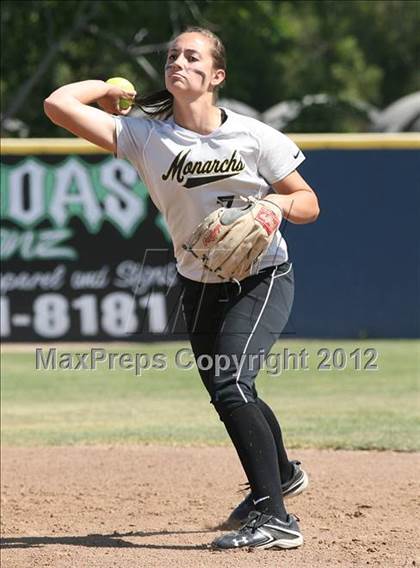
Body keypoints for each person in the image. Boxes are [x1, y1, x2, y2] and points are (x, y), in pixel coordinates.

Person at [44, 26, 319, 550]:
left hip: (262, 276)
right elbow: (58, 104)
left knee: (230, 382)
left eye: (192, 57)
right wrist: (104, 86)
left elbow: (308, 202)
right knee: (231, 391)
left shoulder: (255, 137)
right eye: (172, 56)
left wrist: (274, 204)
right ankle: (279, 475)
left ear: (216, 76)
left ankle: (278, 519)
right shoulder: (146, 136)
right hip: (197, 282)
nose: (178, 62)